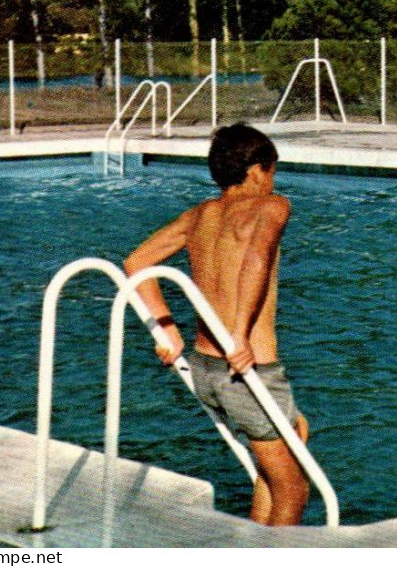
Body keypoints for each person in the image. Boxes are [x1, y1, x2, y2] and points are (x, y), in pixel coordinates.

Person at [123, 123, 312, 526]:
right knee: (294, 488)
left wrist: (166, 328)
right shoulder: (273, 205)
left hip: (205, 369)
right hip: (248, 371)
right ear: (259, 170)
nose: (273, 181)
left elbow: (136, 263)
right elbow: (256, 260)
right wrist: (239, 336)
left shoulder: (200, 215)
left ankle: (257, 543)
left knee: (294, 434)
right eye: (273, 172)